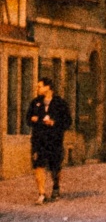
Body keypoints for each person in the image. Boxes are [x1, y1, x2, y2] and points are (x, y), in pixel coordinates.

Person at [27, 76, 71, 204]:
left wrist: (54, 123)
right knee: (38, 165)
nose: (37, 89)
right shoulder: (35, 103)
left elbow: (67, 121)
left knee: (54, 167)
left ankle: (56, 186)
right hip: (38, 139)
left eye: (39, 86)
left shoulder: (60, 103)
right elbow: (28, 118)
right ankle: (41, 193)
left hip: (54, 139)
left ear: (48, 87)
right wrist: (32, 119)